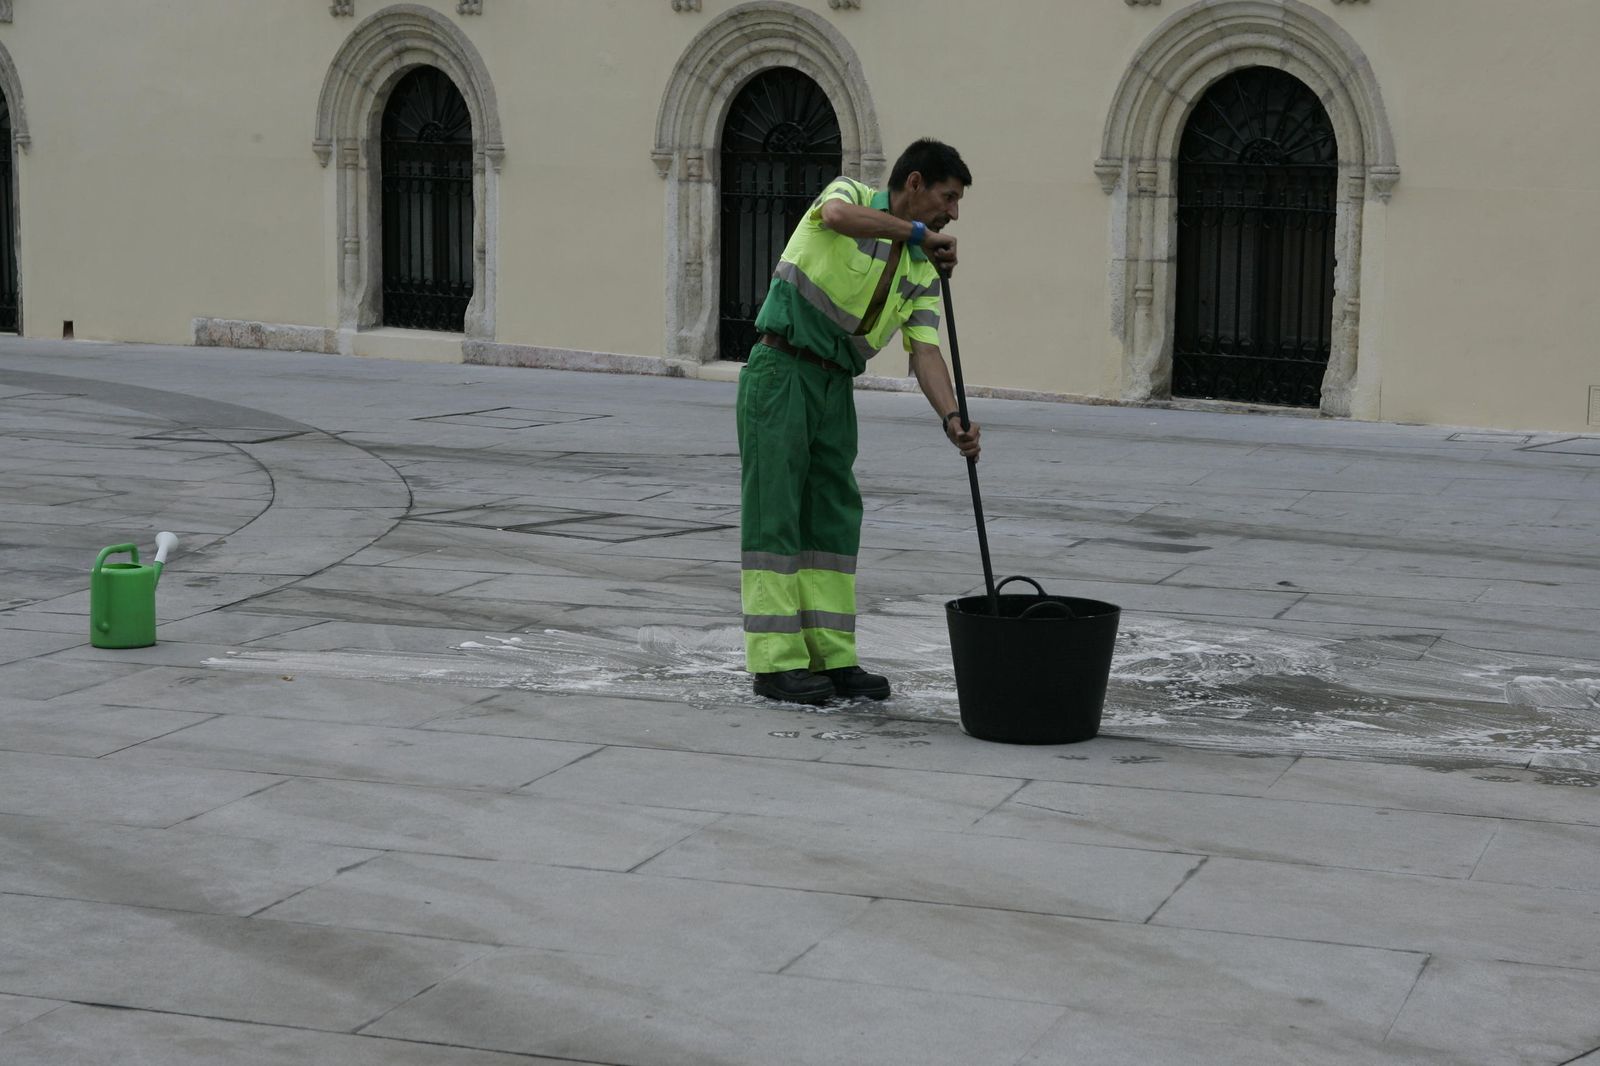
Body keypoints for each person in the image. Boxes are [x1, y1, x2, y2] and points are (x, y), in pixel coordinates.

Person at [736, 138, 981, 704]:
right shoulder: (848, 194)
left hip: (834, 386)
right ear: (914, 183)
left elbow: (924, 350)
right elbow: (837, 217)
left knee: (833, 519)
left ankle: (831, 657)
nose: (954, 213)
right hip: (782, 368)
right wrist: (920, 234)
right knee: (777, 514)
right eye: (948, 197)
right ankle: (775, 664)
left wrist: (953, 418)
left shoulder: (918, 268)